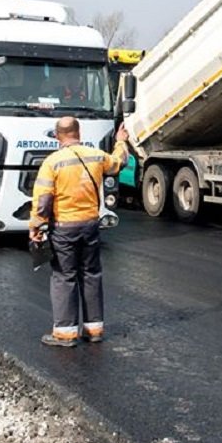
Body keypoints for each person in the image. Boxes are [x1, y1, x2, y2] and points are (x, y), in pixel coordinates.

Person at [29, 116, 129, 347]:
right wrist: (121, 141)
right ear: (78, 132)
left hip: (65, 228)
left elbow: (43, 200)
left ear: (57, 136)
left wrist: (36, 226)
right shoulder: (95, 156)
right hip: (91, 225)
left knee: (64, 277)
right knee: (91, 274)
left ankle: (65, 333)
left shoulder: (52, 163)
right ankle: (94, 330)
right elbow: (118, 163)